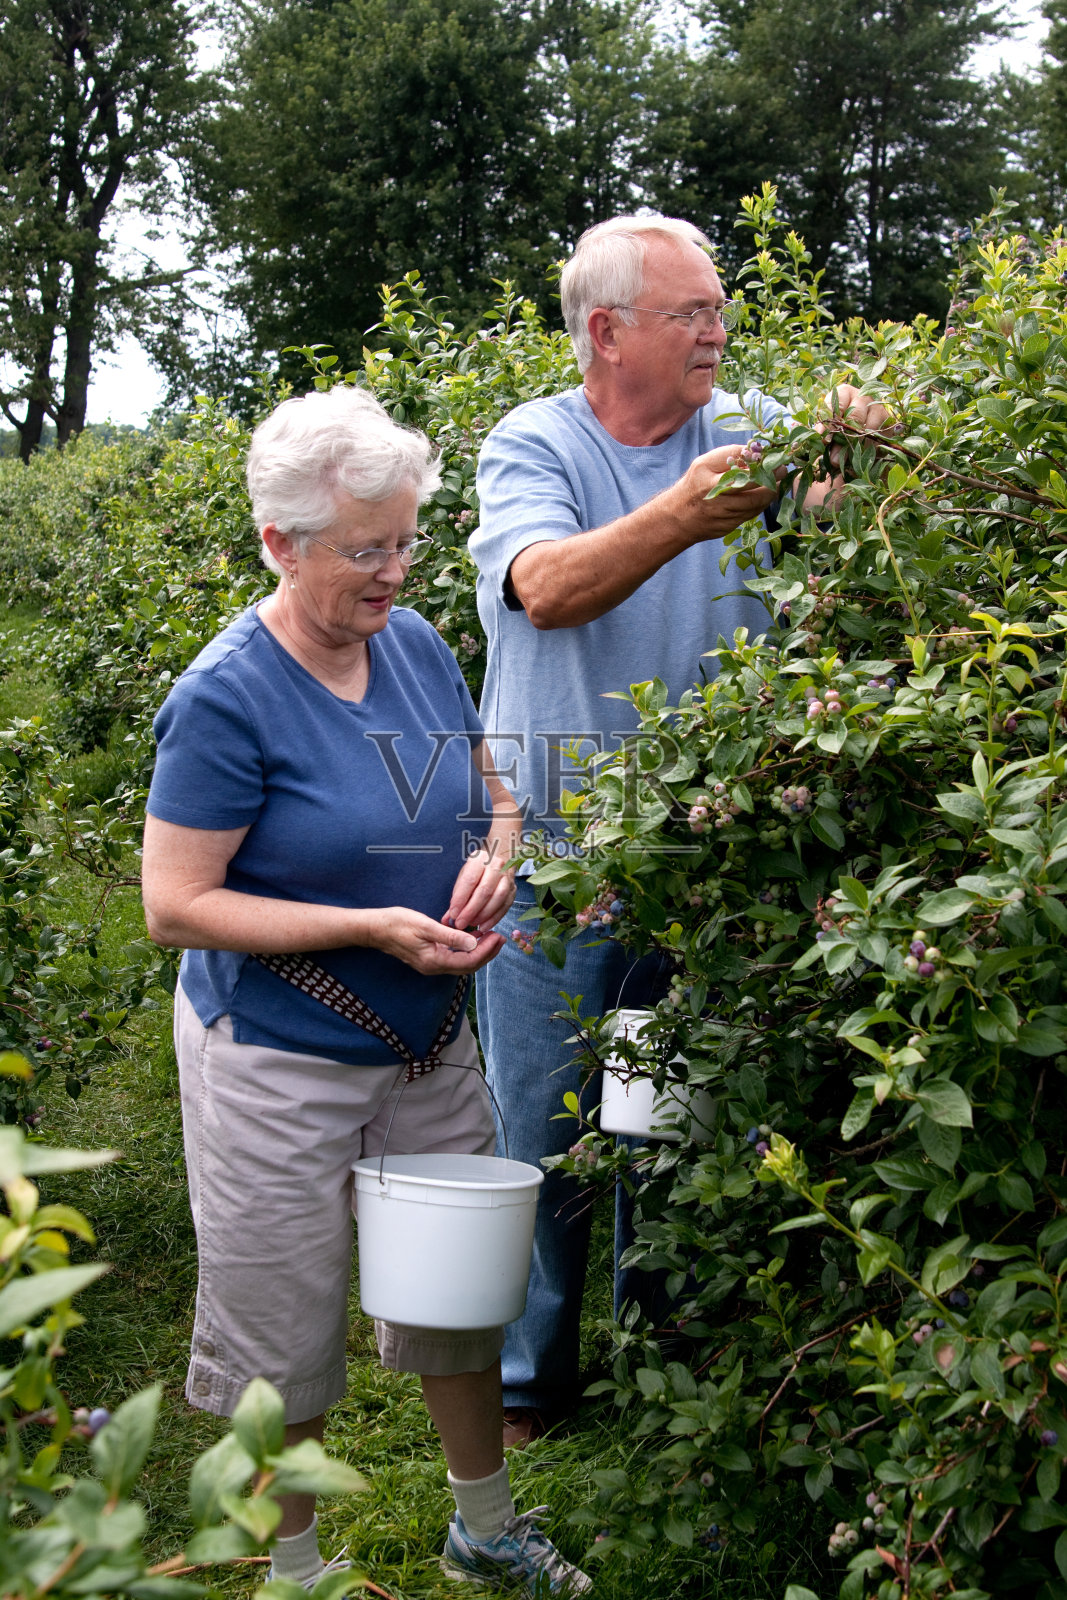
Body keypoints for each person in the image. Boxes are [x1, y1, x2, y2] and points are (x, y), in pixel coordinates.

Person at [141, 384, 591, 1596]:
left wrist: (498, 852)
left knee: (457, 1294)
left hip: (425, 1038)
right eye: (364, 550)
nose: (394, 571)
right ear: (279, 543)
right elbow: (175, 902)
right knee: (279, 1329)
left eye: (404, 542)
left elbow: (492, 785)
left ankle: (483, 1528)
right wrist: (365, 927)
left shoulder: (415, 644)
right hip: (276, 1051)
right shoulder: (226, 697)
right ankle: (293, 1570)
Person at [469, 212, 886, 1447]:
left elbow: (834, 500)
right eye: (690, 312)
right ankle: (528, 1379)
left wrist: (860, 446)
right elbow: (544, 587)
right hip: (554, 859)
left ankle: (663, 1364)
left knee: (673, 1119)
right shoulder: (534, 441)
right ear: (606, 333)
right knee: (541, 1123)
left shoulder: (741, 426)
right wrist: (684, 514)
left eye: (718, 309)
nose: (716, 331)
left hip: (702, 857)